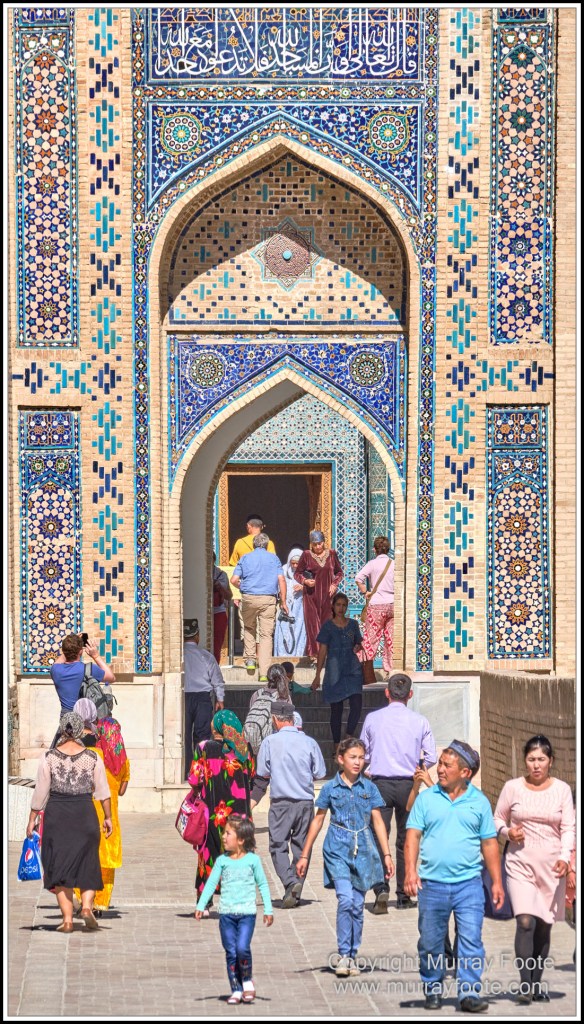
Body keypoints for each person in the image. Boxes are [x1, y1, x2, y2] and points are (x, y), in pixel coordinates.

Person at [404, 740, 504, 1013]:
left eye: (447, 765)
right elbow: (412, 836)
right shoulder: (426, 799)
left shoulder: (479, 802)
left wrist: (496, 882)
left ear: (465, 772)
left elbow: (489, 843)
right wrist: (410, 871)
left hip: (469, 885)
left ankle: (469, 992)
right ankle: (433, 988)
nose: (440, 770)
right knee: (431, 941)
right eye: (441, 764)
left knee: (471, 939)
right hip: (431, 884)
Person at [297, 738, 394, 977]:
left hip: (364, 852)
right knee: (346, 900)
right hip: (336, 850)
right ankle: (342, 955)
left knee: (358, 906)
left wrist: (387, 855)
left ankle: (352, 955)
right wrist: (304, 855)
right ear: (341, 759)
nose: (357, 762)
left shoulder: (369, 788)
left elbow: (378, 821)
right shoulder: (330, 788)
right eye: (353, 757)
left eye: (361, 758)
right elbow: (318, 820)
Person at [494, 734, 576, 1004]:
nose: (536, 765)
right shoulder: (512, 787)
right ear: (525, 761)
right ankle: (525, 985)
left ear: (551, 761)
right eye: (531, 759)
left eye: (541, 759)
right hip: (519, 863)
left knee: (543, 926)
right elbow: (497, 819)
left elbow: (568, 829)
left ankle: (537, 982)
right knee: (525, 921)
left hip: (552, 867)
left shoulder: (562, 790)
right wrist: (507, 831)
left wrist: (566, 858)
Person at [26, 711, 113, 933]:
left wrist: (32, 819)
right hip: (85, 814)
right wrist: (108, 818)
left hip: (58, 816)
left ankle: (67, 920)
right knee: (88, 863)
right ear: (79, 730)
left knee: (60, 867)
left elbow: (41, 793)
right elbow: (103, 792)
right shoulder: (93, 758)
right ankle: (86, 908)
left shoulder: (49, 757)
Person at [361, 672, 437, 913]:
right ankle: (404, 894)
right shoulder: (420, 721)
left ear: (387, 693)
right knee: (407, 839)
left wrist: (371, 769)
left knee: (377, 838)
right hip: (409, 786)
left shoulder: (373, 719)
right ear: (410, 695)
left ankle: (381, 888)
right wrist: (417, 770)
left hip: (380, 784)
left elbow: (364, 754)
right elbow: (431, 756)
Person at [195, 815, 273, 1004]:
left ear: (241, 839)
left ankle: (247, 981)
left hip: (247, 914)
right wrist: (200, 905)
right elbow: (211, 882)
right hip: (226, 915)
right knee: (230, 951)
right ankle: (236, 989)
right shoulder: (222, 861)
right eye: (223, 832)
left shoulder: (253, 861)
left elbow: (262, 885)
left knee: (242, 948)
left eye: (228, 833)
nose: (223, 836)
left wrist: (268, 910)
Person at [256, 699, 326, 907]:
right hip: (305, 802)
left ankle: (289, 882)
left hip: (280, 803)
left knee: (277, 846)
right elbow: (320, 773)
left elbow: (262, 772)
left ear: (275, 719)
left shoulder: (269, 742)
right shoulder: (310, 742)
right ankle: (295, 888)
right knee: (302, 847)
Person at [189, 710, 254, 911]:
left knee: (209, 855)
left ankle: (205, 901)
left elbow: (194, 779)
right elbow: (252, 775)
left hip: (214, 814)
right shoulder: (245, 749)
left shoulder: (204, 748)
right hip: (240, 815)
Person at [72, 697, 130, 917]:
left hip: (85, 815)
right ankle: (100, 904)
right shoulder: (121, 759)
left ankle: (82, 899)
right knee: (106, 863)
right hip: (109, 818)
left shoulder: (87, 754)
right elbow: (122, 790)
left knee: (83, 858)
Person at [231, 533, 288, 680]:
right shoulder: (274, 559)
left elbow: (234, 579)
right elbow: (281, 580)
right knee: (266, 635)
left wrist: (242, 586)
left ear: (254, 545)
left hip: (249, 598)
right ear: (267, 545)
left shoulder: (245, 558)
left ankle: (250, 660)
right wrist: (283, 601)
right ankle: (264, 672)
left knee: (249, 627)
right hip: (268, 599)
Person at [312, 593, 364, 744]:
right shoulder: (328, 627)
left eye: (344, 605)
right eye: (338, 605)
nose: (341, 608)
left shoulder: (353, 624)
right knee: (336, 710)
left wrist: (357, 646)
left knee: (356, 704)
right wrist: (317, 676)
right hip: (334, 671)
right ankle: (336, 745)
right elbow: (322, 650)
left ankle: (348, 736)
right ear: (333, 607)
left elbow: (359, 643)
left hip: (353, 669)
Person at [183, 617, 225, 780]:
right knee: (202, 737)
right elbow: (217, 680)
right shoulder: (205, 656)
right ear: (197, 636)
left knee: (185, 737)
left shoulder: (179, 656)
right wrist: (220, 700)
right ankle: (200, 771)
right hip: (202, 700)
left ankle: (187, 771)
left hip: (184, 699)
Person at [229, 515, 276, 659]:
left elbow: (233, 568)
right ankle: (261, 657)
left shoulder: (240, 543)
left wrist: (236, 594)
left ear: (249, 527)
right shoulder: (270, 544)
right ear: (261, 527)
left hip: (247, 593)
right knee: (265, 630)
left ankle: (250, 657)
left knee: (248, 627)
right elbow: (273, 567)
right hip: (266, 593)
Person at [294, 531, 343, 659]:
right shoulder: (306, 555)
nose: (318, 547)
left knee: (327, 623)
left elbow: (339, 572)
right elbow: (297, 573)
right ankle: (315, 654)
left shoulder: (331, 554)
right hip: (311, 595)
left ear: (324, 542)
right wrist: (305, 581)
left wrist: (334, 584)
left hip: (328, 595)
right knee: (313, 625)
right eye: (315, 544)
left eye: (320, 544)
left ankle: (328, 653)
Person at [355, 535, 395, 675]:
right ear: (388, 549)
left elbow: (358, 578)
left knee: (371, 639)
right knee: (391, 639)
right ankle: (390, 671)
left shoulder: (372, 564)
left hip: (376, 605)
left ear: (374, 549)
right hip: (392, 605)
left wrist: (365, 592)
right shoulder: (394, 564)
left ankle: (363, 671)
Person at [50, 632, 115, 714]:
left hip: (65, 719)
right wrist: (96, 656)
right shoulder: (89, 669)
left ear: (63, 650)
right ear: (81, 651)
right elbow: (111, 678)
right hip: (84, 720)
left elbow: (60, 659)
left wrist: (70, 645)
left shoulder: (55, 670)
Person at [274, 548, 307, 658]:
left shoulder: (307, 573)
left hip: (300, 609)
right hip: (286, 607)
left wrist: (303, 587)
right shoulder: (283, 571)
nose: (295, 566)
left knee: (298, 632)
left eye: (298, 563)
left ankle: (297, 655)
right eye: (293, 563)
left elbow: (315, 589)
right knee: (284, 632)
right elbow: (277, 586)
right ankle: (282, 656)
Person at [212, 553, 231, 663]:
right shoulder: (198, 573)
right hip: (203, 612)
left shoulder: (221, 575)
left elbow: (229, 596)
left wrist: (219, 588)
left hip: (218, 611)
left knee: (217, 644)